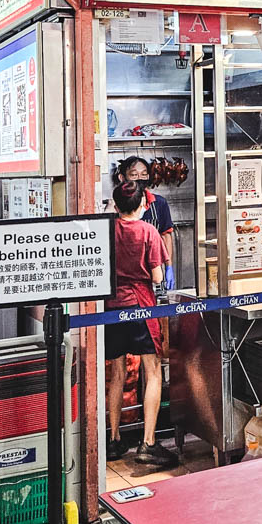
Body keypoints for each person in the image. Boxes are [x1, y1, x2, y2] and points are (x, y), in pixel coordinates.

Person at [105, 180, 178, 467]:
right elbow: (158, 277)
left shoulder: (107, 230)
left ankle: (113, 439)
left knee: (117, 373)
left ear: (115, 205)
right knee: (153, 371)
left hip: (111, 309)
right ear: (142, 205)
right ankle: (148, 442)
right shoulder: (148, 231)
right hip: (141, 306)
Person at [112, 156, 175, 289]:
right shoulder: (117, 206)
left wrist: (169, 266)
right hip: (122, 278)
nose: (140, 178)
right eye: (134, 175)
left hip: (152, 274)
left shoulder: (159, 204)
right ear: (122, 178)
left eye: (144, 174)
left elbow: (166, 235)